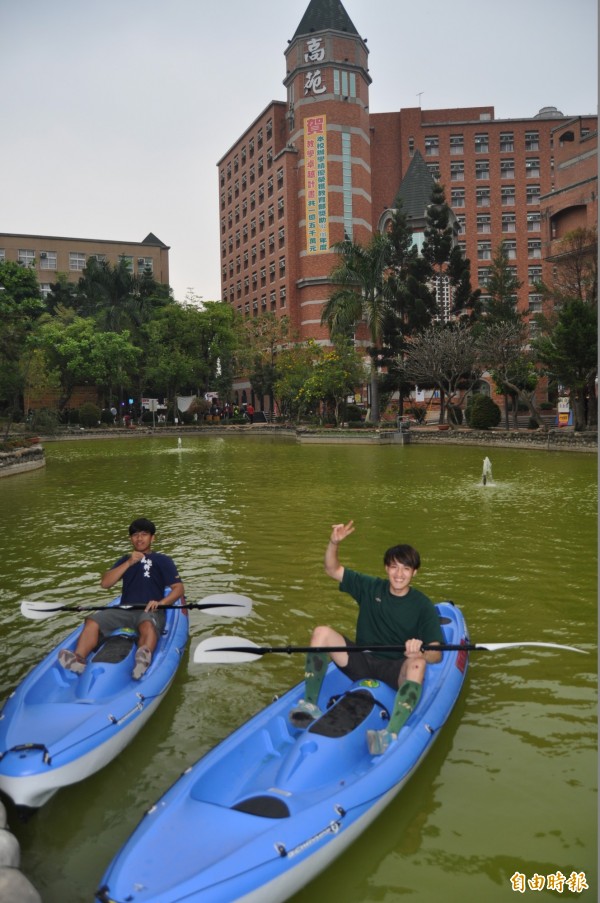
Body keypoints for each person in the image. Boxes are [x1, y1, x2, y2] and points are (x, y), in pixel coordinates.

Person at [289, 520, 443, 755]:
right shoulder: (370, 587)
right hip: (361, 660)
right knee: (321, 632)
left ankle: (390, 734)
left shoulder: (422, 605)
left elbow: (436, 652)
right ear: (386, 568)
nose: (399, 574)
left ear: (414, 572)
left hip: (395, 668)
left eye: (406, 569)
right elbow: (332, 569)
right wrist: (333, 543)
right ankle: (310, 704)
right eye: (394, 567)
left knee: (418, 663)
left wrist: (420, 652)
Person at [58, 518, 184, 680]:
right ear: (131, 539)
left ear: (153, 538)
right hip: (124, 609)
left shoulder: (163, 560)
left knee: (147, 623)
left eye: (144, 534)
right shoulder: (125, 559)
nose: (139, 538)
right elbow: (105, 583)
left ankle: (142, 661)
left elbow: (178, 589)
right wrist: (129, 562)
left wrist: (161, 603)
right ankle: (78, 660)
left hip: (150, 610)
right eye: (135, 535)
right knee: (92, 620)